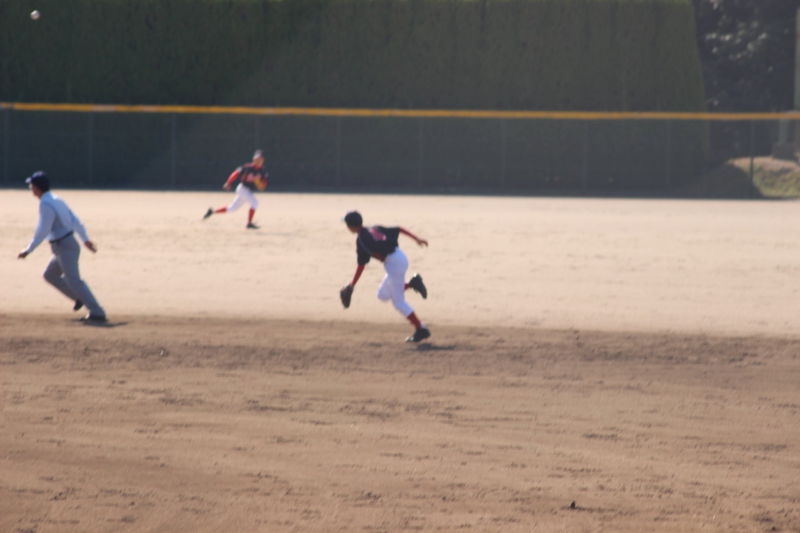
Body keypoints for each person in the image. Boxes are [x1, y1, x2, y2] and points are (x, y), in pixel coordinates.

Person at [17, 171, 107, 323]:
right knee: (50, 275)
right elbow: (75, 220)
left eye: (31, 186)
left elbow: (43, 229)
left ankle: (97, 312)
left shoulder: (46, 204)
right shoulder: (56, 199)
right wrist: (84, 239)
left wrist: (29, 249)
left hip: (64, 246)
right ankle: (79, 297)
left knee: (74, 280)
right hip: (63, 246)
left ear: (37, 187)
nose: (30, 188)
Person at [341, 210, 431, 342]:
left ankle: (421, 329)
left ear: (351, 227)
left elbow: (361, 266)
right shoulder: (374, 228)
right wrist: (416, 239)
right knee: (382, 295)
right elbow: (398, 229)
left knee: (398, 302)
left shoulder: (361, 241)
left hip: (394, 264)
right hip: (399, 257)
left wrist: (352, 284)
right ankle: (412, 283)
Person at [203, 149, 268, 229]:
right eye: (256, 159)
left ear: (263, 160)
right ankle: (249, 223)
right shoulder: (247, 167)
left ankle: (212, 212)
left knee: (232, 208)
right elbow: (235, 173)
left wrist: (257, 181)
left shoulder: (262, 171)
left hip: (247, 191)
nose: (258, 161)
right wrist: (228, 182)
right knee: (254, 203)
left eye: (260, 159)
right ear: (253, 159)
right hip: (242, 188)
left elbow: (262, 187)